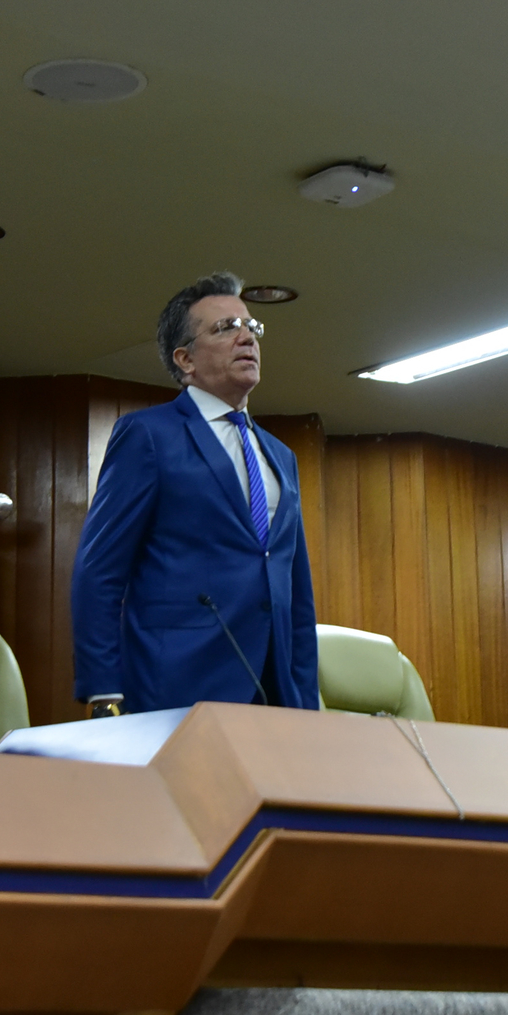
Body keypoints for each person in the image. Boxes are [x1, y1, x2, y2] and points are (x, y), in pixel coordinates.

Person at [71, 271, 317, 716]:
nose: (247, 338)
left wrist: (305, 702)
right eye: (226, 328)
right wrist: (102, 688)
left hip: (275, 691)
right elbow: (100, 569)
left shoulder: (282, 457)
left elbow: (296, 592)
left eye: (252, 327)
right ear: (185, 359)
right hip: (177, 685)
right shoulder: (148, 435)